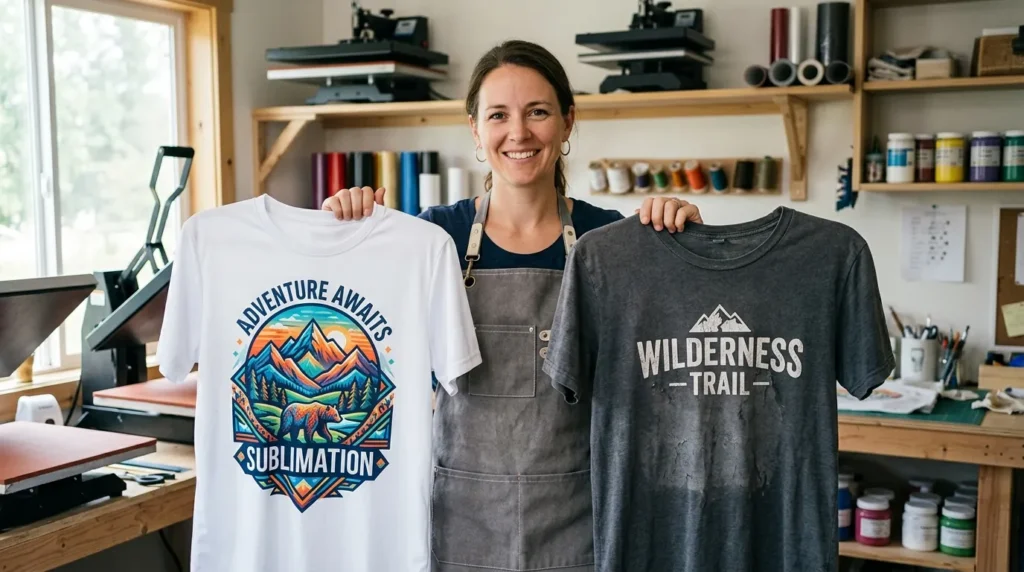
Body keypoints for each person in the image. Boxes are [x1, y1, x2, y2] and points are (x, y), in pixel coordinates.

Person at [322, 40, 703, 572]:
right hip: (460, 515)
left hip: (581, 516)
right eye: (498, 115)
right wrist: (344, 228)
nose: (518, 133)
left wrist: (681, 236)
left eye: (538, 112)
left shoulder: (611, 241)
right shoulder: (433, 236)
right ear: (475, 130)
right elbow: (346, 324)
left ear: (568, 122)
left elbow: (679, 349)